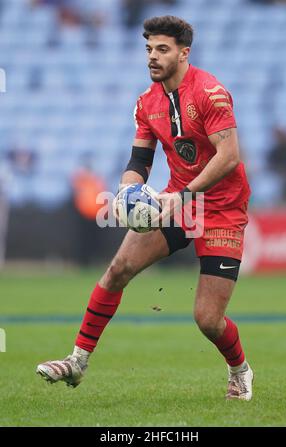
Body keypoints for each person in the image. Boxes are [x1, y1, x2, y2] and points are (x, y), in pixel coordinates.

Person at [36, 16, 254, 400]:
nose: (152, 57)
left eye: (162, 50)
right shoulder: (147, 102)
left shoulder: (210, 93)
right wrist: (127, 190)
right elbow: (139, 160)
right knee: (118, 268)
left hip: (221, 210)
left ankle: (239, 369)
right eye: (149, 49)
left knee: (207, 319)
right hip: (177, 203)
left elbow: (230, 157)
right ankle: (77, 361)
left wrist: (182, 193)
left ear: (184, 53)